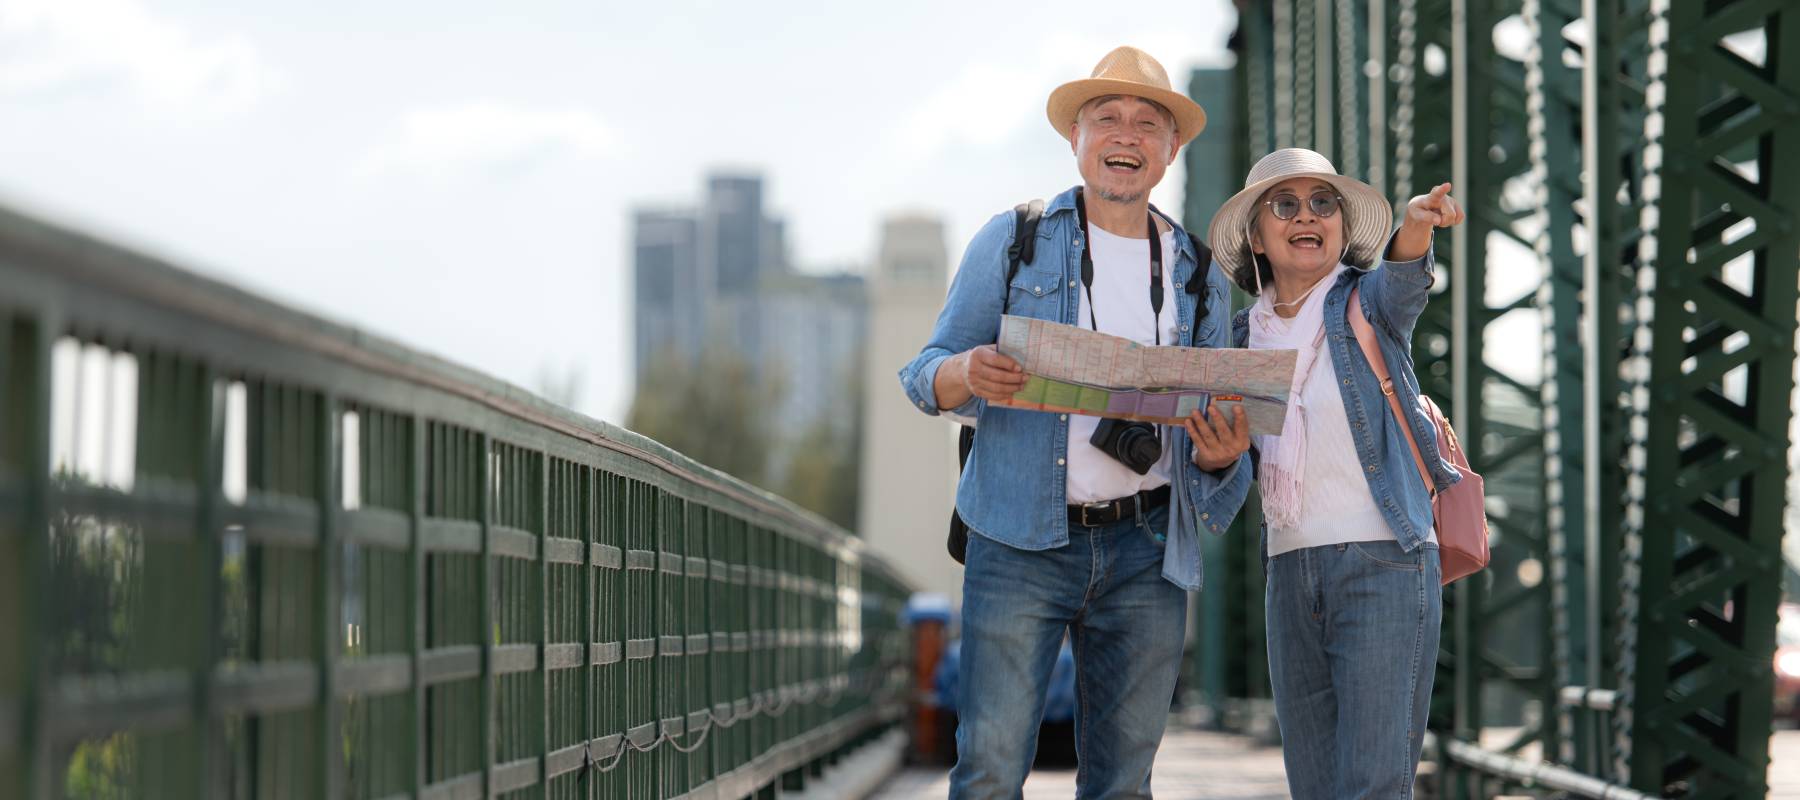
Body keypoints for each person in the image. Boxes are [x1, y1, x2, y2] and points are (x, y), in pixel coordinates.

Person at [898, 46, 1254, 798]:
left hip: (1147, 548)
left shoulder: (1196, 274)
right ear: (1077, 139)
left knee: (1123, 783)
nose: (1126, 136)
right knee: (990, 771)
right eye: (1107, 119)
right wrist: (964, 373)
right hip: (1019, 538)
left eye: (1146, 124)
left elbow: (1222, 422)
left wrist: (1224, 458)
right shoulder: (1015, 237)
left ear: (1170, 150)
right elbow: (926, 371)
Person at [1207, 147, 1467, 799]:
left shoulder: (1366, 308)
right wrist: (1216, 454)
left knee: (1373, 786)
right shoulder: (1238, 345)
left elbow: (1404, 278)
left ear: (1343, 227)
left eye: (1324, 202)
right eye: (1285, 204)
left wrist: (1416, 225)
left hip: (1383, 562)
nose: (1307, 216)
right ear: (1255, 235)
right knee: (1317, 789)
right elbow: (1224, 467)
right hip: (1290, 572)